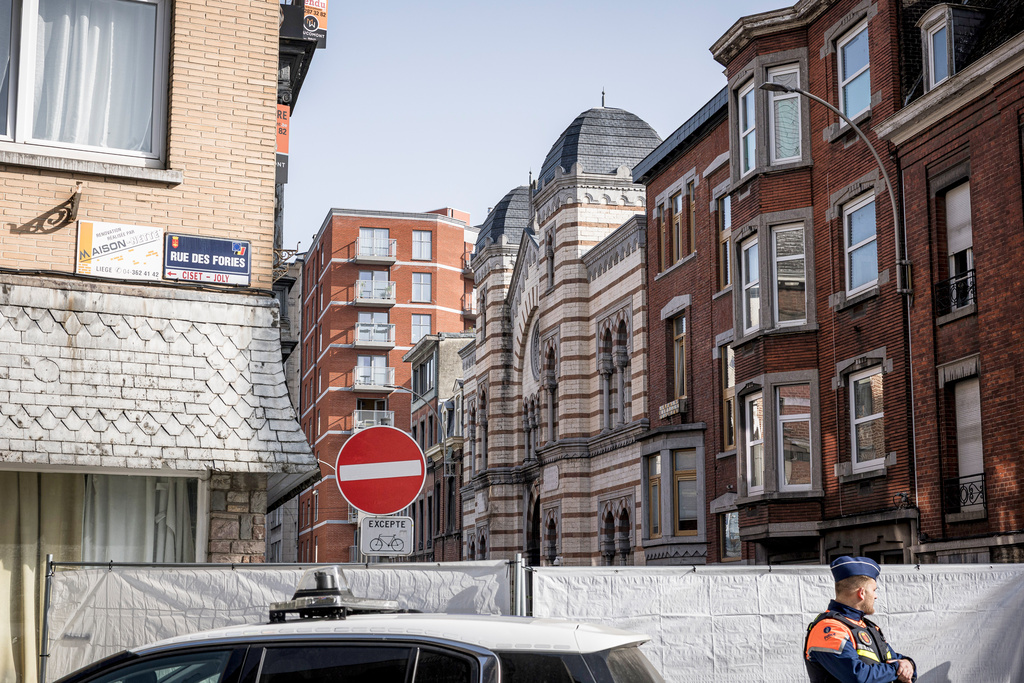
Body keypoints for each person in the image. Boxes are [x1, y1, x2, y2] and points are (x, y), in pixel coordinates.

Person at [804, 556, 917, 683]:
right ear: (861, 593)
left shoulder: (866, 627)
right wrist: (896, 669)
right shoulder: (828, 629)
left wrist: (908, 664)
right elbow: (857, 675)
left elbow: (892, 658)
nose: (876, 596)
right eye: (874, 590)